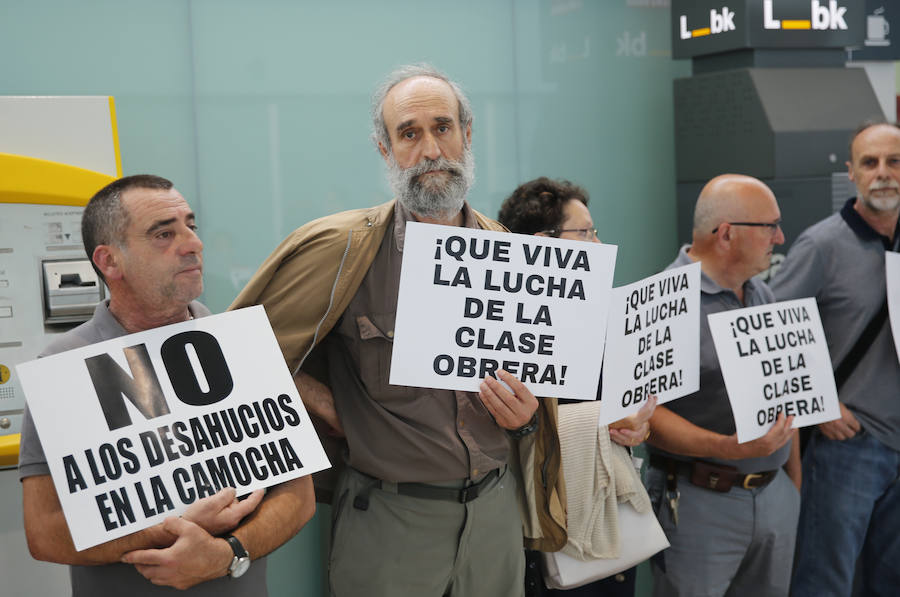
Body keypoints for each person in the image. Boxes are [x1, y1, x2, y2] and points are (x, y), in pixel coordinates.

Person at [230, 64, 556, 597]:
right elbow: (236, 350)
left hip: (496, 514)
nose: (430, 150)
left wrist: (523, 421)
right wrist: (330, 405)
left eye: (442, 127)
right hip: (389, 519)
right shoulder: (340, 250)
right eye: (409, 133)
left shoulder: (511, 253)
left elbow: (538, 389)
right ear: (385, 150)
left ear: (467, 135)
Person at [19, 174, 316, 595]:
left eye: (190, 226)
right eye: (163, 234)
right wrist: (168, 530)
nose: (192, 244)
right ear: (109, 262)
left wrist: (227, 554)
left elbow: (298, 497)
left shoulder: (241, 344)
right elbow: (45, 533)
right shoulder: (62, 368)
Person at [498, 176, 656, 597]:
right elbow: (511, 429)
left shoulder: (602, 316)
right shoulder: (504, 327)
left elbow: (619, 412)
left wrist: (635, 428)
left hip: (606, 518)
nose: (598, 245)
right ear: (542, 241)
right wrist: (599, 422)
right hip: (544, 529)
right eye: (585, 233)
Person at [644, 174, 801, 597]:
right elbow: (643, 412)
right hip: (699, 501)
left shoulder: (763, 294)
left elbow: (786, 392)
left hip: (774, 496)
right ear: (727, 234)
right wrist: (726, 449)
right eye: (770, 226)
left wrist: (792, 483)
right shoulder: (663, 301)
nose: (781, 237)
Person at [770, 121, 900, 595]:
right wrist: (814, 401)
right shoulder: (821, 246)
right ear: (851, 174)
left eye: (894, 161)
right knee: (825, 581)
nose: (883, 173)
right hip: (850, 445)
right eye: (870, 162)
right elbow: (771, 332)